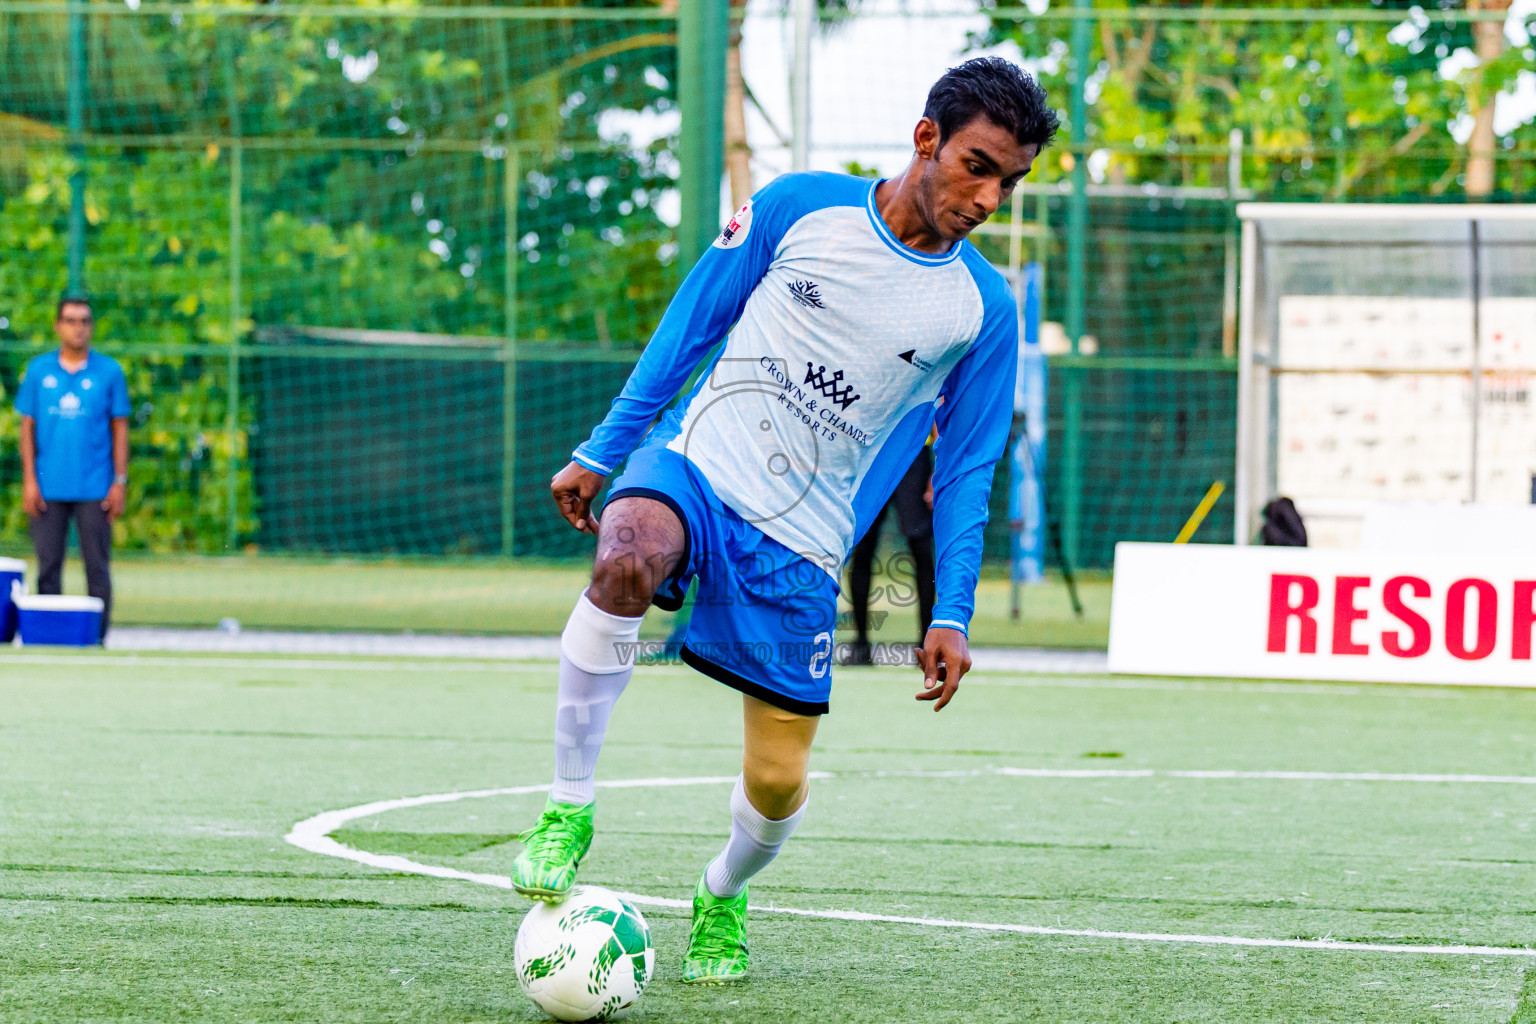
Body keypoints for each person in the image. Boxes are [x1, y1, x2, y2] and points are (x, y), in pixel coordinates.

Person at [515, 57, 1058, 983]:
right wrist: (606, 449)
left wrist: (952, 611)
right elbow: (691, 324)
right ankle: (568, 807)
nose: (988, 199)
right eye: (978, 167)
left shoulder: (983, 309)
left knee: (774, 783)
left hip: (802, 539)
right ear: (926, 139)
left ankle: (722, 891)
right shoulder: (798, 207)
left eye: (1009, 182)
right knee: (627, 553)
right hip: (698, 465)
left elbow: (968, 470)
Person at [17, 298, 130, 640]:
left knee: (97, 567)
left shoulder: (109, 372)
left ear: (91, 326)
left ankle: (96, 637)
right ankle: (50, 637)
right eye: (70, 320)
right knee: (48, 567)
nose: (78, 328)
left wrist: (119, 481)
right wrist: (29, 480)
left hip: (95, 486)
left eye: (84, 321)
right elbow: (27, 428)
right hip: (48, 485)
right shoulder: (39, 371)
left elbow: (120, 428)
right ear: (58, 326)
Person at [844, 445, 935, 666]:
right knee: (862, 547)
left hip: (913, 452)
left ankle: (928, 646)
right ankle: (860, 645)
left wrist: (936, 472)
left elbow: (939, 423)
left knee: (921, 548)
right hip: (875, 454)